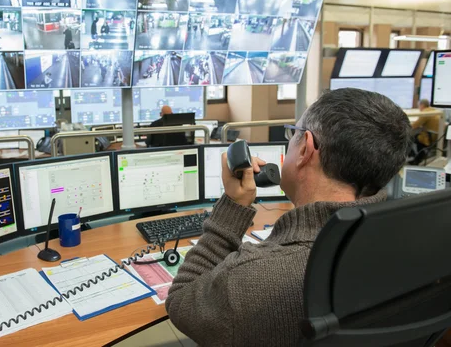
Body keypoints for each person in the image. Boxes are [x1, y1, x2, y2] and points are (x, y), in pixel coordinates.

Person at [166, 88, 412, 347]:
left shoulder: (253, 278)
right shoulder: (407, 240)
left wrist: (233, 206)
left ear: (305, 148)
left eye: (292, 132)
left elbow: (182, 301)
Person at [410, 99, 440, 164]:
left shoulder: (425, 112)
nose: (419, 108)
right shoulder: (433, 110)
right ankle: (417, 156)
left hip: (430, 137)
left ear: (422, 105)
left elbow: (414, 125)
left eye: (419, 106)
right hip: (437, 136)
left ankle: (417, 158)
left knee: (412, 138)